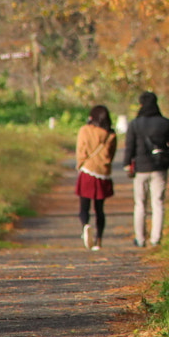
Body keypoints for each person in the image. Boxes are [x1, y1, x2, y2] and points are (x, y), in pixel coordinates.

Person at [123, 91, 169, 248]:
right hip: (159, 168)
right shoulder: (165, 123)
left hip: (141, 169)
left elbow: (129, 147)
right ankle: (156, 239)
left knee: (140, 204)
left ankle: (140, 239)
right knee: (158, 203)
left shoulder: (135, 124)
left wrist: (127, 164)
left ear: (141, 104)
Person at [74, 105, 116, 250]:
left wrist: (80, 164)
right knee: (100, 209)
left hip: (87, 171)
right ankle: (99, 240)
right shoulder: (111, 134)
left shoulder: (85, 130)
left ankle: (85, 225)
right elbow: (111, 156)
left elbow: (80, 150)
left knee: (84, 206)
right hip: (103, 174)